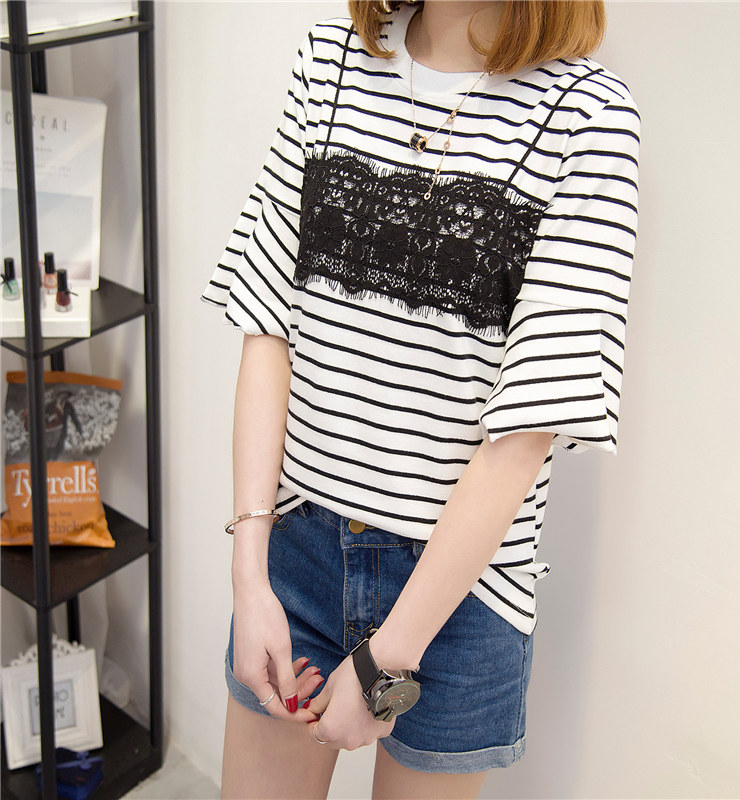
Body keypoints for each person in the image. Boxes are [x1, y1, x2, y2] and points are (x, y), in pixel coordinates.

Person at [201, 0, 640, 797]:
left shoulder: (590, 117)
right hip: (295, 553)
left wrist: (387, 658)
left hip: (462, 594)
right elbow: (268, 324)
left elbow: (528, 427)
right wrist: (249, 575)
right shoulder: (331, 60)